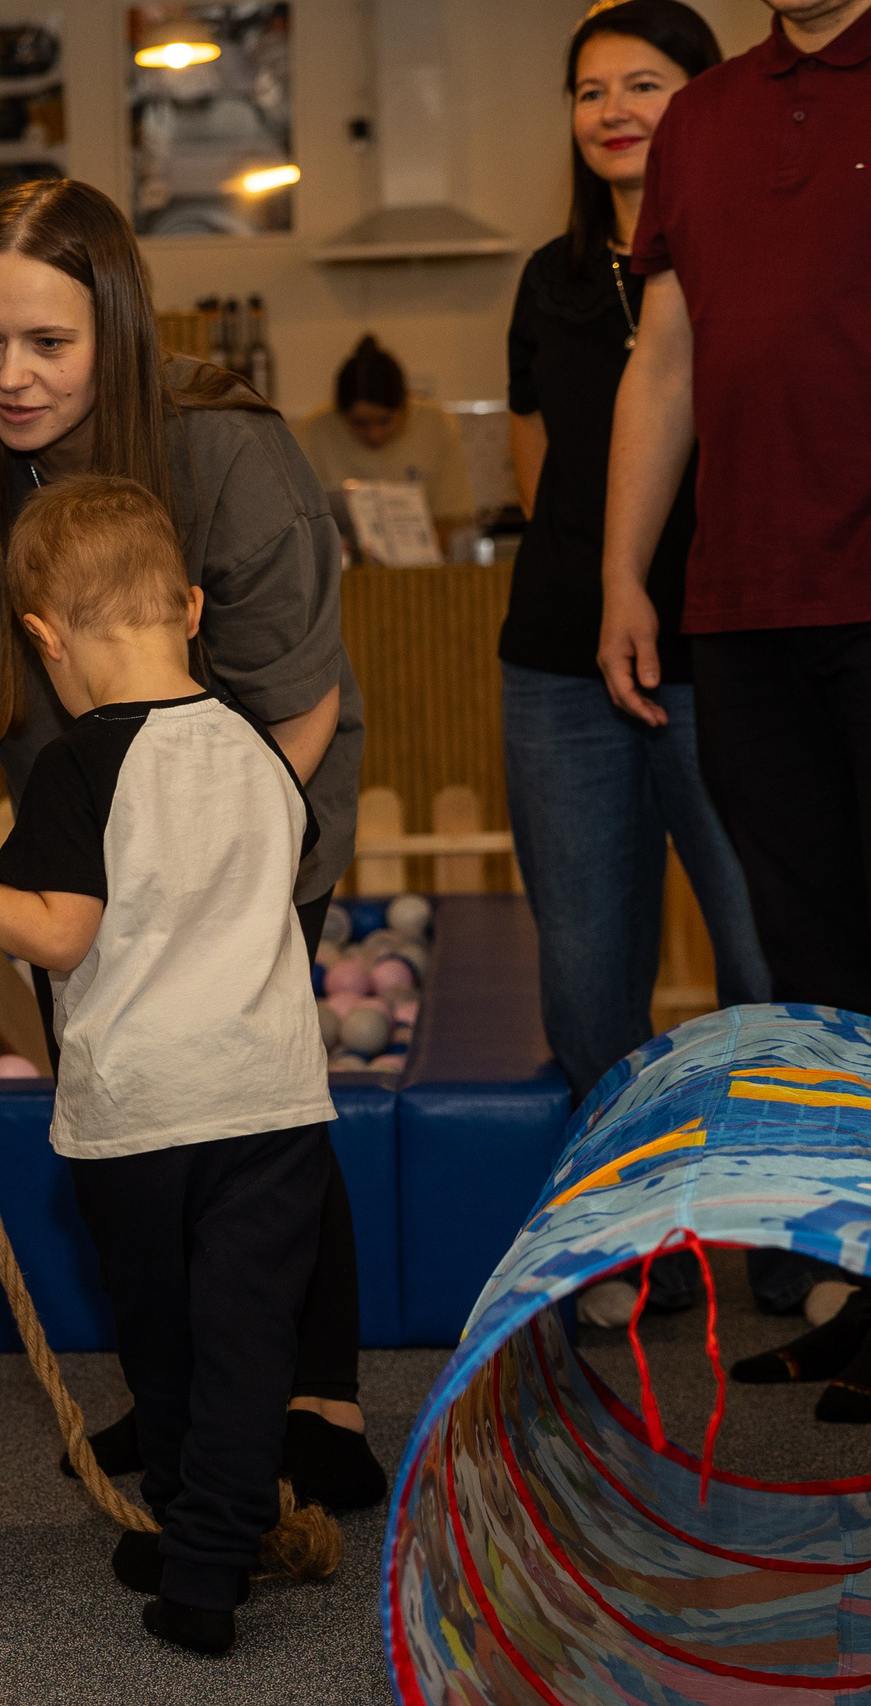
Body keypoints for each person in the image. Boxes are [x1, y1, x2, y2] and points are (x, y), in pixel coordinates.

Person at [0, 177, 382, 1514]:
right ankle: (183, 1392)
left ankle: (315, 1393)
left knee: (254, 1099)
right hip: (75, 823)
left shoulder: (223, 444)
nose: (13, 375)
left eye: (49, 343)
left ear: (118, 331)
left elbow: (297, 692)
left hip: (251, 801)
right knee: (127, 1111)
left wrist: (194, 848)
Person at [0, 476, 337, 1658]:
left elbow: (55, 930)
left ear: (43, 635)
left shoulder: (80, 765)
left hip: (143, 1113)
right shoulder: (255, 746)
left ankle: (198, 1533)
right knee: (246, 1340)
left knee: (164, 1333)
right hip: (273, 1101)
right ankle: (204, 1553)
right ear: (186, 604)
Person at [603, 0, 871, 1407]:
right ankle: (867, 1292)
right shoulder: (701, 119)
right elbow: (667, 359)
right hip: (749, 607)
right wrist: (623, 574)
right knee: (818, 984)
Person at [501, 0, 777, 1329]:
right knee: (584, 975)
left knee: (765, 956)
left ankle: (787, 1240)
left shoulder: (758, 253)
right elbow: (537, 459)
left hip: (728, 648)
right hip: (560, 664)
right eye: (590, 88)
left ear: (708, 103)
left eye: (646, 84)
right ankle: (630, 1240)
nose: (613, 108)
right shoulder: (552, 277)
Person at [296, 336, 476, 553]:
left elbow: (448, 518)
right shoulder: (316, 431)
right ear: (341, 415)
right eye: (360, 424)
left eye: (384, 421)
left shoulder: (435, 425)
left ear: (405, 407)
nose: (374, 435)